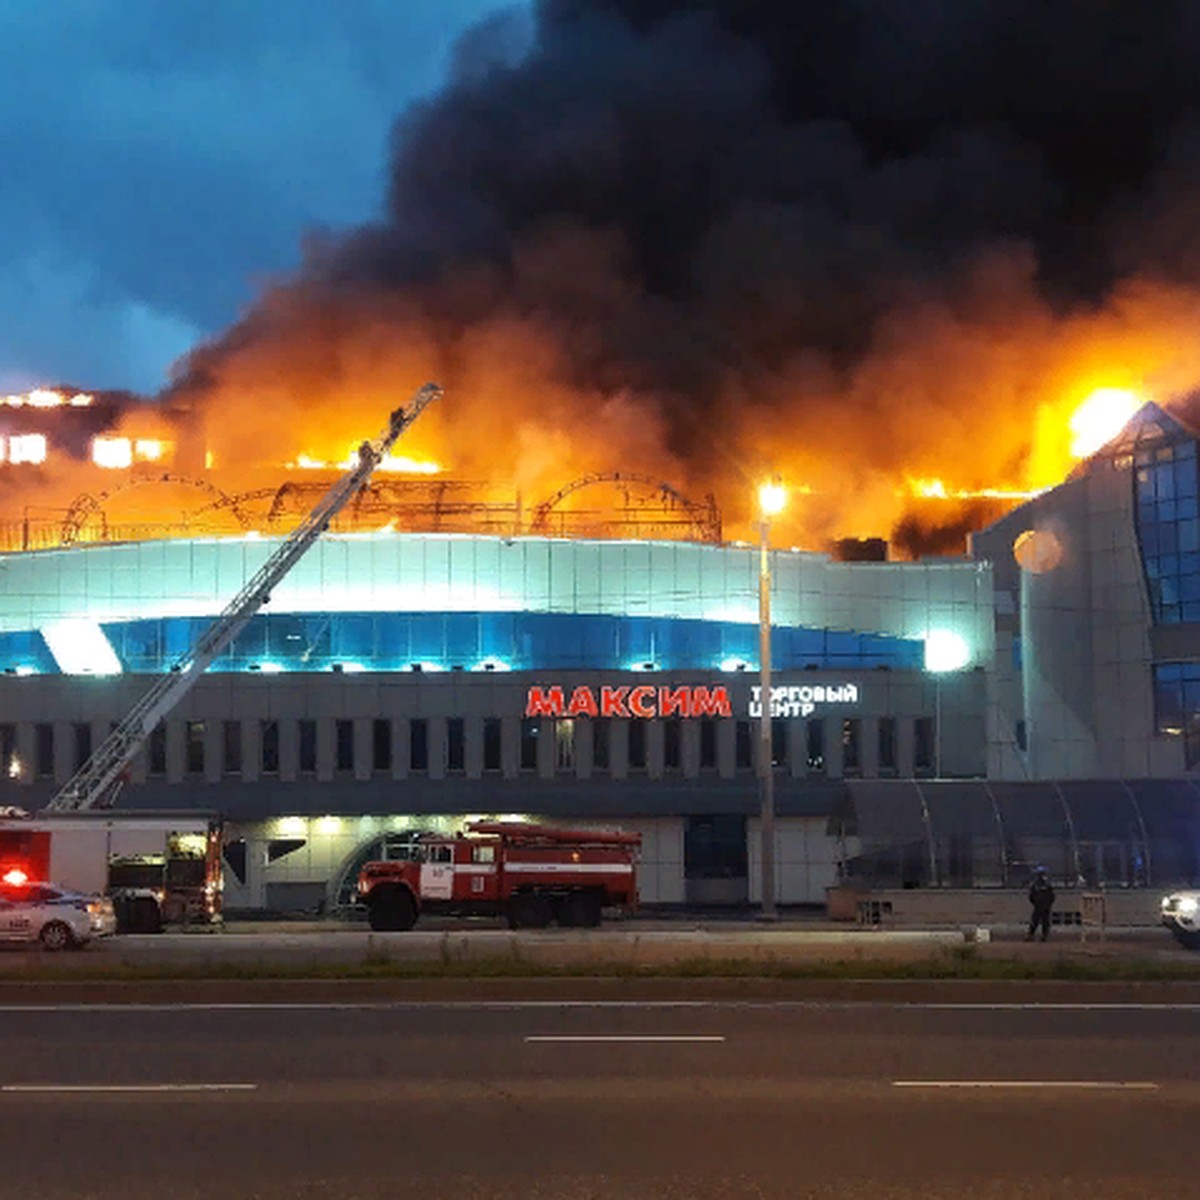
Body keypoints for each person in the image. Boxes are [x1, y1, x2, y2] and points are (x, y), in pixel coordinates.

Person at [1027, 870, 1055, 941]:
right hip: (1038, 906)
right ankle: (1031, 935)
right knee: (1035, 921)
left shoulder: (1048, 885)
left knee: (1045, 921)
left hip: (1045, 906)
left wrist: (1048, 903)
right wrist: (1035, 903)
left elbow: (1052, 896)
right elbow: (1031, 896)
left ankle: (1044, 936)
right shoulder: (1035, 885)